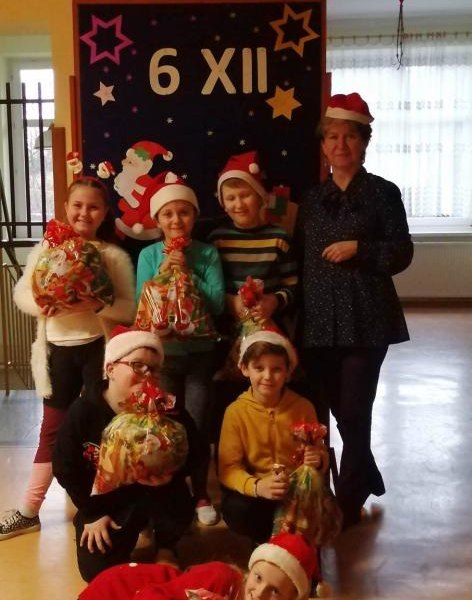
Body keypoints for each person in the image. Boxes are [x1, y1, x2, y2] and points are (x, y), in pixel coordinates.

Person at [0, 178, 137, 541]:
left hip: (99, 353)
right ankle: (29, 510)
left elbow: (129, 308)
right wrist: (47, 302)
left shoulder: (112, 256)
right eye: (77, 205)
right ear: (66, 208)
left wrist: (97, 304)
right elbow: (22, 294)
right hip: (57, 353)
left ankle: (104, 505)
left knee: (104, 430)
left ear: (104, 213)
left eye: (93, 207)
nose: (84, 213)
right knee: (52, 430)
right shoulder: (47, 250)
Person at [293, 92, 413, 529]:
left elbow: (401, 253)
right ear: (323, 145)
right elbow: (301, 260)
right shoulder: (311, 200)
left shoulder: (384, 193)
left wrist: (359, 249)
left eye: (349, 136)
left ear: (364, 142)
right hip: (319, 323)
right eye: (332, 137)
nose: (340, 144)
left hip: (367, 319)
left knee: (356, 412)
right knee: (337, 416)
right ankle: (366, 476)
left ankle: (345, 507)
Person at [52, 327, 205, 582]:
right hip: (106, 503)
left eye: (154, 369)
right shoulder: (84, 411)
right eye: (137, 365)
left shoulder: (168, 408)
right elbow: (64, 467)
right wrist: (91, 513)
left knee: (177, 500)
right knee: (96, 571)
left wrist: (171, 473)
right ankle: (128, 532)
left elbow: (197, 452)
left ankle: (166, 544)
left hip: (159, 493)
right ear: (111, 369)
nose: (148, 374)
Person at [136, 172, 225, 526]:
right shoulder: (148, 255)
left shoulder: (207, 254)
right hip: (164, 358)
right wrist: (162, 272)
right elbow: (141, 305)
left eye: (184, 212)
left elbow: (217, 304)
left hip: (201, 355)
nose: (176, 220)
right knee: (165, 426)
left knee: (198, 425)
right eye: (168, 214)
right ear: (157, 220)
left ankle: (200, 492)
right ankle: (170, 494)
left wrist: (189, 273)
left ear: (194, 216)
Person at [206, 150, 298, 441]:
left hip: (268, 330)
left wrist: (274, 301)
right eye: (231, 198)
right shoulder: (217, 239)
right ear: (223, 203)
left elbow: (293, 287)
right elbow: (211, 286)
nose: (238, 204)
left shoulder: (279, 238)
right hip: (226, 333)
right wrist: (229, 301)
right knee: (225, 392)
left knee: (267, 385)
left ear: (260, 197)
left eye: (245, 196)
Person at [218, 330, 328, 545]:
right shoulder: (235, 412)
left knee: (319, 509)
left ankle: (298, 546)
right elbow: (228, 468)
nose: (268, 376)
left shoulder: (303, 407)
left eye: (276, 369)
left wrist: (319, 460)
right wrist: (257, 486)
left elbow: (320, 452)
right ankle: (263, 543)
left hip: (298, 491)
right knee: (238, 510)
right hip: (259, 491)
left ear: (288, 372)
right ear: (245, 369)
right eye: (259, 368)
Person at [78, 531, 323, 600]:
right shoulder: (219, 577)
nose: (259, 593)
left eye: (275, 592)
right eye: (258, 578)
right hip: (118, 591)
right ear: (250, 571)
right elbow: (151, 595)